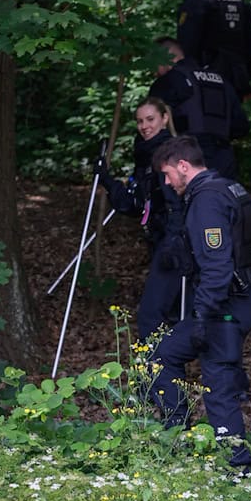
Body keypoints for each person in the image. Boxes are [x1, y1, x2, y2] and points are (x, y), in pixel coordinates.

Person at [149, 135, 251, 468]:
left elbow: (217, 266)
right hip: (236, 299)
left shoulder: (207, 200)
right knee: (165, 355)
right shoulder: (228, 188)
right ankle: (179, 437)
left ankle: (237, 464)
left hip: (224, 305)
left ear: (184, 166)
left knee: (219, 382)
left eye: (168, 174)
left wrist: (202, 316)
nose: (167, 182)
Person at [94, 97, 193, 340]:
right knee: (169, 311)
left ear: (164, 119)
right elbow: (135, 203)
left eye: (150, 119)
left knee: (154, 314)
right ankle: (168, 369)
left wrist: (174, 242)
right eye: (140, 121)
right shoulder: (146, 154)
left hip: (175, 245)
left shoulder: (170, 153)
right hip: (159, 240)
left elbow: (179, 204)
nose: (144, 126)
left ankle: (157, 371)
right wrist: (106, 180)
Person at [149, 37, 249, 181]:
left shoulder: (168, 81)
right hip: (224, 158)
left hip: (188, 159)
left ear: (167, 56)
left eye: (155, 63)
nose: (155, 72)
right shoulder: (222, 81)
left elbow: (154, 129)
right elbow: (241, 126)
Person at [177, 0, 251, 100]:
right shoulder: (240, 3)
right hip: (237, 80)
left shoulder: (197, 1)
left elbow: (187, 46)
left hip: (205, 82)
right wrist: (250, 78)